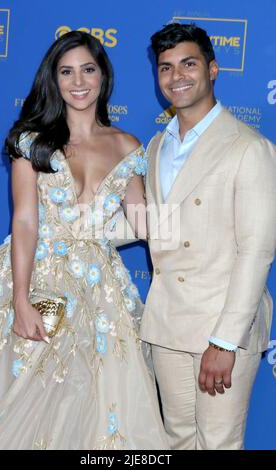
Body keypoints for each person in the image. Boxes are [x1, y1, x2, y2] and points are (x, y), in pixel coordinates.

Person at [0, 31, 168, 450]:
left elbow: (145, 223)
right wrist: (20, 300)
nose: (77, 81)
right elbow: (24, 221)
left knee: (92, 411)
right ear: (54, 79)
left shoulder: (127, 145)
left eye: (87, 69)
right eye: (66, 71)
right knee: (25, 397)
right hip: (33, 278)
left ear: (103, 76)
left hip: (100, 295)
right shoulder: (31, 140)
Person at [140, 23, 276, 450]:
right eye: (166, 67)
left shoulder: (249, 147)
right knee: (176, 440)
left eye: (188, 63)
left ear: (213, 69)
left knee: (217, 442)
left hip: (219, 325)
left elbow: (257, 250)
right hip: (167, 324)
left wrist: (225, 340)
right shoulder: (156, 146)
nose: (176, 76)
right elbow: (154, 225)